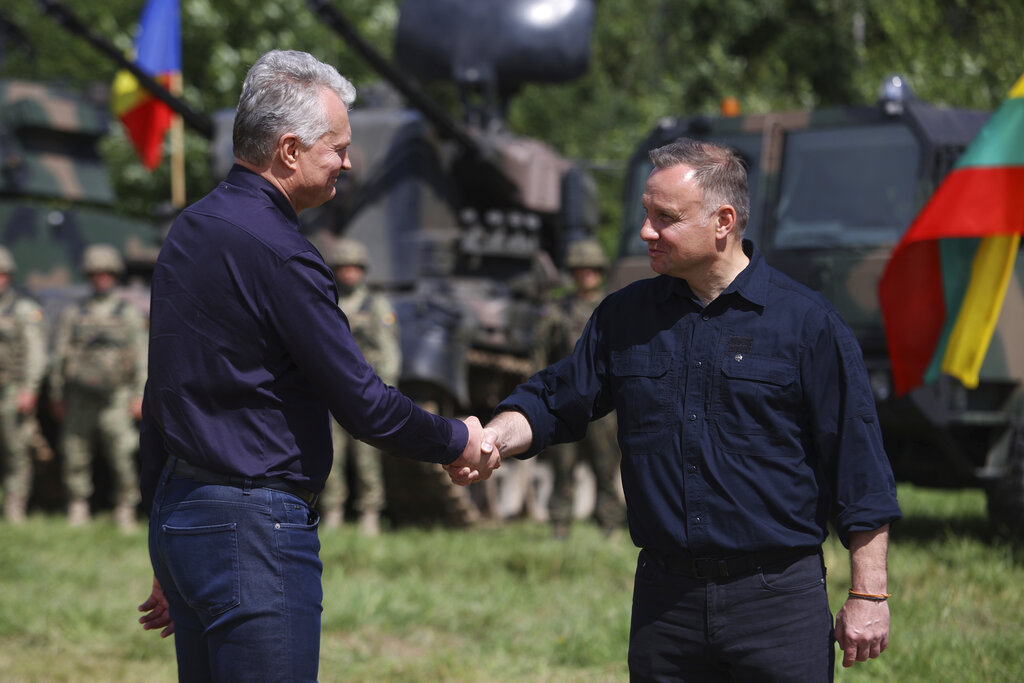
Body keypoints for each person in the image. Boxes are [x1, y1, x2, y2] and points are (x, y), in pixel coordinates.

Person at [475, 138, 901, 681]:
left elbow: (859, 467)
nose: (645, 231)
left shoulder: (807, 325)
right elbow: (556, 399)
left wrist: (868, 593)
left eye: (665, 218)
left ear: (723, 221)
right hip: (665, 604)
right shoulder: (624, 318)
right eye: (645, 215)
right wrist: (493, 437)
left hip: (776, 603)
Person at [135, 50, 498, 682]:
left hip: (186, 514)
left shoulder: (191, 230)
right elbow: (362, 402)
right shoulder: (282, 255)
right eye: (337, 147)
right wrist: (457, 438)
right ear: (289, 150)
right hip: (253, 532)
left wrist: (169, 549)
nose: (348, 164)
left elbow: (160, 393)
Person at [49, 243, 147, 530]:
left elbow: (141, 357)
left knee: (122, 455)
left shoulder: (127, 313)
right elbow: (60, 355)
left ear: (114, 275)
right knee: (75, 453)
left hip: (115, 397)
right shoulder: (75, 313)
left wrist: (139, 395)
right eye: (95, 273)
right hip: (79, 397)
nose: (100, 278)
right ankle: (77, 506)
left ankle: (125, 508)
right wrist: (57, 394)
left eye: (105, 273)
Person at [533, 238, 624, 539]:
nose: (586, 275)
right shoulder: (557, 313)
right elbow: (540, 357)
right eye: (580, 270)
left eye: (592, 270)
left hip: (604, 406)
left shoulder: (614, 309)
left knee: (606, 469)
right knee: (562, 470)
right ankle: (560, 526)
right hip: (565, 404)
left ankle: (609, 526)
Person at [320, 238, 401, 535]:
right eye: (344, 267)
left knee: (367, 456)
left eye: (355, 267)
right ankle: (332, 510)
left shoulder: (375, 304)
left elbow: (389, 350)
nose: (349, 273)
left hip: (366, 391)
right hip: (331, 391)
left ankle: (370, 512)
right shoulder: (328, 300)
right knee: (331, 455)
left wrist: (388, 391)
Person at [0, 246, 47, 524]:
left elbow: (35, 353)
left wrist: (29, 388)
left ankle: (15, 507)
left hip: (12, 390)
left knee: (16, 451)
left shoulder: (24, 310)